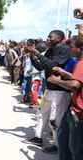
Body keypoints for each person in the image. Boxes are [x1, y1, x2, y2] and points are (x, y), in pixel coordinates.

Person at [23, 30, 72, 154]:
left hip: (61, 91)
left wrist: (37, 53)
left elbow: (53, 65)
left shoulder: (65, 51)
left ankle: (56, 144)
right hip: (49, 89)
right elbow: (41, 67)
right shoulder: (50, 51)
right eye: (48, 37)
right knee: (41, 114)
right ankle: (38, 137)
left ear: (60, 38)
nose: (48, 39)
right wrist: (32, 56)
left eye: (51, 37)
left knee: (55, 119)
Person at [47, 31, 83, 160]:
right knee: (63, 140)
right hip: (73, 109)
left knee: (75, 148)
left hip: (78, 113)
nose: (69, 50)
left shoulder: (81, 63)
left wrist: (56, 80)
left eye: (71, 48)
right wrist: (63, 72)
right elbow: (78, 79)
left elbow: (75, 85)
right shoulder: (79, 61)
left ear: (81, 49)